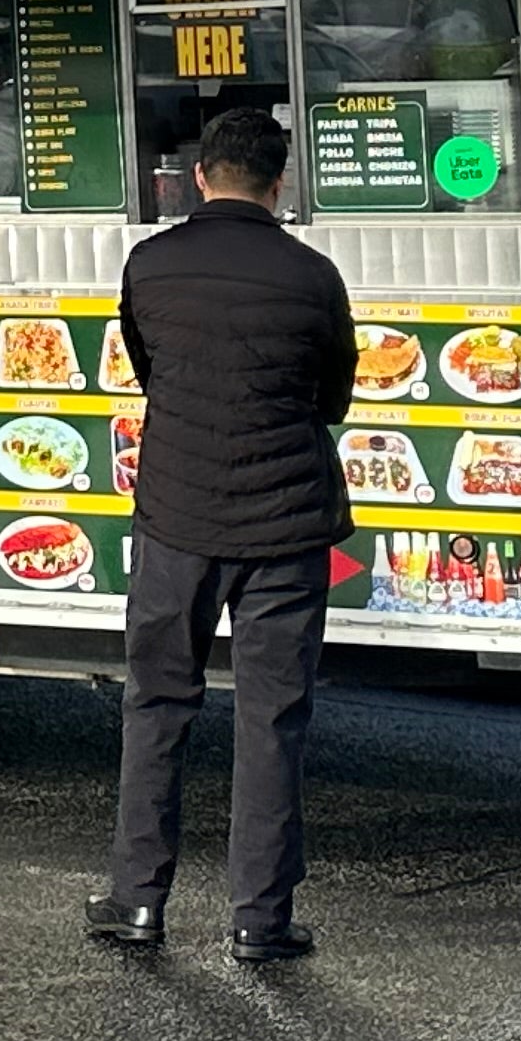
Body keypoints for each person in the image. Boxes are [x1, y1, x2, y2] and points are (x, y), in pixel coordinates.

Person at [88, 102, 356, 964]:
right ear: (281, 186)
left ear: (199, 177)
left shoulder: (150, 265)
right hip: (287, 527)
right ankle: (260, 920)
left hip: (177, 521)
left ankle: (136, 902)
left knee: (157, 703)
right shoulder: (314, 277)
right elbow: (334, 399)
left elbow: (149, 370)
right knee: (273, 717)